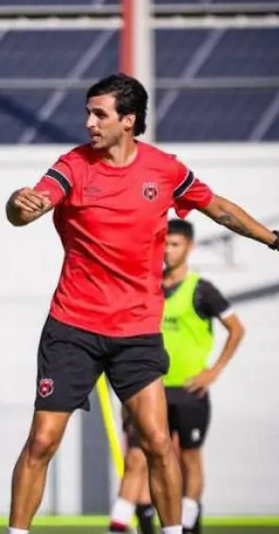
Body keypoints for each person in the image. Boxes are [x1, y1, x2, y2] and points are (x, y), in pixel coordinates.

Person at [4, 73, 279, 534]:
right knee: (42, 441)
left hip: (137, 333)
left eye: (99, 114)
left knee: (159, 444)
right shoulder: (71, 166)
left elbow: (219, 208)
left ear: (128, 120)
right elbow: (29, 208)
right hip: (72, 329)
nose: (88, 123)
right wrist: (18, 203)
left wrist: (278, 242)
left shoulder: (165, 170)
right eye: (87, 113)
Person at [108, 219, 247, 534]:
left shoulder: (202, 290)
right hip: (147, 388)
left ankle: (188, 521)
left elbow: (236, 329)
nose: (168, 251)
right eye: (164, 245)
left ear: (189, 247)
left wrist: (213, 371)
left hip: (187, 392)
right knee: (139, 458)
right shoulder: (144, 286)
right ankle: (133, 523)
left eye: (175, 244)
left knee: (188, 458)